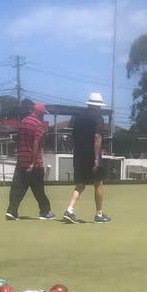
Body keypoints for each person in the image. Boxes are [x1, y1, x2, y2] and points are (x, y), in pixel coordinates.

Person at [63, 92, 111, 223]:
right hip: (92, 154)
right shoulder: (98, 119)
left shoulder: (78, 117)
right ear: (99, 106)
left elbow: (73, 136)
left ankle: (69, 210)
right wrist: (96, 158)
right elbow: (97, 138)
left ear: (89, 104)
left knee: (80, 184)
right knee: (99, 183)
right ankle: (99, 214)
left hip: (78, 154)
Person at [5, 103, 54, 221]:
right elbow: (36, 143)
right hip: (35, 163)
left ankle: (12, 211)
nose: (44, 116)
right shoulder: (37, 124)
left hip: (21, 161)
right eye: (43, 113)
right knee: (39, 190)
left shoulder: (23, 122)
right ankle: (45, 212)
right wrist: (32, 163)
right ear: (39, 112)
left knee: (17, 188)